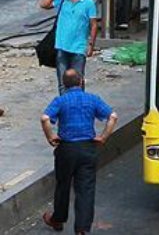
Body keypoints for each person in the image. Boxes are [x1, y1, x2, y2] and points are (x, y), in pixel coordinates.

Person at [40, 69, 117, 235]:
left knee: (63, 185)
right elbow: (113, 116)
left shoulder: (60, 100)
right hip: (88, 148)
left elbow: (45, 118)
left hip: (66, 149)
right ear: (81, 81)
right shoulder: (92, 99)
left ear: (64, 84)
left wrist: (50, 136)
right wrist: (103, 137)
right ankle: (82, 228)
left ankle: (58, 219)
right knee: (85, 189)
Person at [39, 0, 99, 95]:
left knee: (78, 82)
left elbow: (93, 25)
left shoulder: (88, 3)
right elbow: (44, 4)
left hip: (78, 48)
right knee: (62, 82)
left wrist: (91, 45)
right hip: (62, 47)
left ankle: (79, 108)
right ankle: (65, 108)